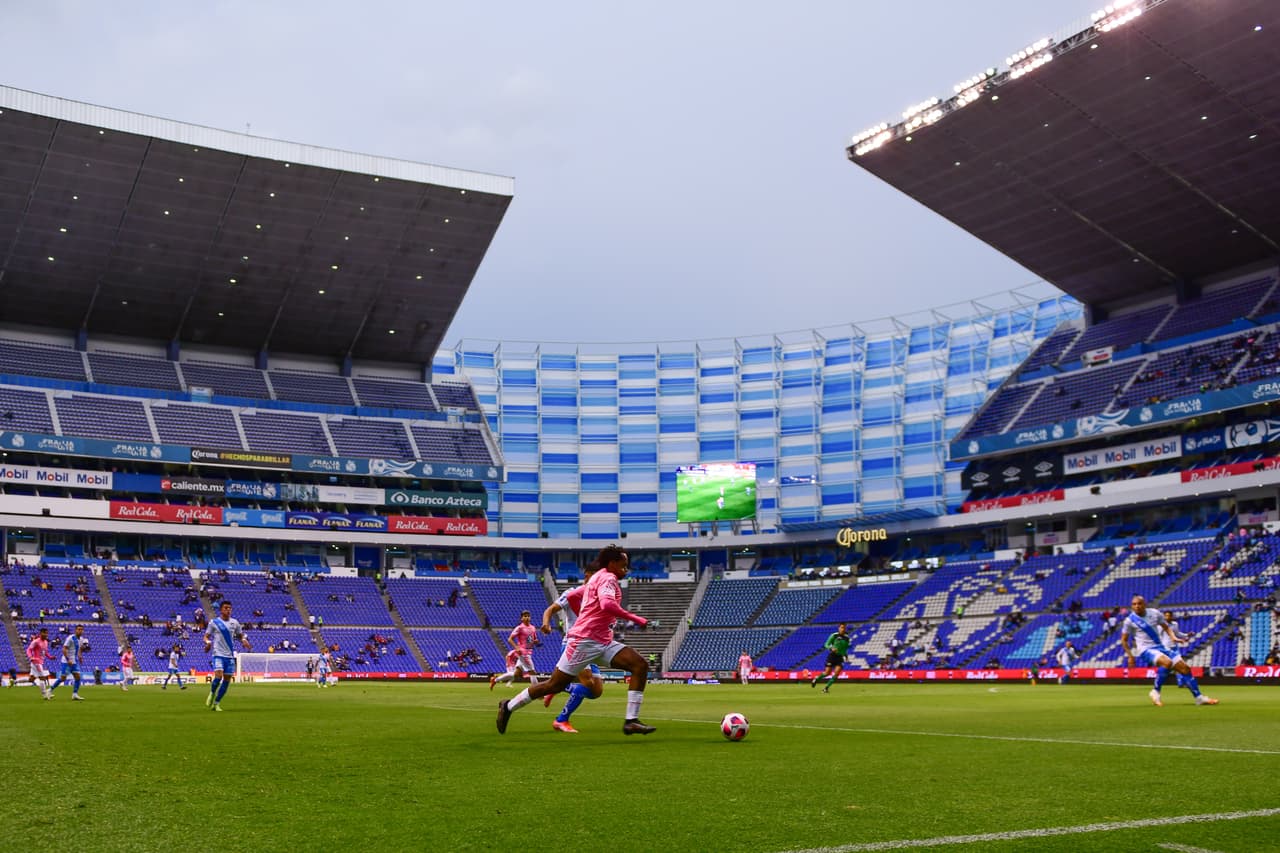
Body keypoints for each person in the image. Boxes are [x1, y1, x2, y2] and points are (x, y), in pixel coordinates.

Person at [497, 545, 655, 736]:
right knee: (553, 685)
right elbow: (606, 604)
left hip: (602, 641)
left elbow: (573, 596)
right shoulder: (608, 578)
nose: (626, 569)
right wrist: (636, 619)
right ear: (612, 564)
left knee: (639, 665)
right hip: (584, 642)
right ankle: (508, 706)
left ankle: (631, 721)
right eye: (623, 565)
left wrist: (586, 614)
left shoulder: (597, 577)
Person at [538, 562, 605, 733]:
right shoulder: (572, 593)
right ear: (588, 575)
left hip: (591, 645)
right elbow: (550, 609)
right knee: (588, 681)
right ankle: (561, 720)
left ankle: (557, 687)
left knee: (596, 691)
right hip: (573, 643)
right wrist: (546, 624)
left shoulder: (599, 596)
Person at [1121, 595, 1217, 707]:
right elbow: (1124, 640)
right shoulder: (1129, 621)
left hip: (1160, 647)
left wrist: (1173, 637)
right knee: (1167, 662)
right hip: (1145, 650)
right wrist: (1130, 656)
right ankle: (1155, 692)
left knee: (1185, 668)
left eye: (1139, 603)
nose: (1137, 606)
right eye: (1134, 604)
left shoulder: (1155, 613)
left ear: (1145, 604)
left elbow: (1166, 627)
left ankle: (1199, 698)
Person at [204, 600, 251, 711]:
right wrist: (208, 643)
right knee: (218, 676)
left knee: (227, 681)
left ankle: (216, 703)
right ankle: (212, 693)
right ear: (221, 609)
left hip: (229, 656)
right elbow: (206, 636)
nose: (228, 610)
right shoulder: (214, 622)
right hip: (218, 654)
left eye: (229, 608)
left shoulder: (235, 623)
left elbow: (240, 635)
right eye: (225, 608)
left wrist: (243, 640)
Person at [49, 624, 87, 700]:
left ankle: (75, 694)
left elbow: (79, 649)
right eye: (78, 629)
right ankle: (49, 690)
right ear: (75, 630)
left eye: (81, 629)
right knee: (63, 678)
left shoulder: (81, 639)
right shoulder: (70, 638)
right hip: (66, 662)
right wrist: (68, 659)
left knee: (78, 677)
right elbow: (64, 649)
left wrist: (80, 657)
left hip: (74, 661)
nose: (80, 631)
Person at [810, 624, 851, 693]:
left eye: (844, 628)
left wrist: (846, 657)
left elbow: (845, 649)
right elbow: (826, 644)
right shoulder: (834, 635)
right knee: (827, 673)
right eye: (841, 627)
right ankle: (816, 679)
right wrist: (831, 648)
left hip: (840, 657)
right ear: (838, 628)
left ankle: (826, 688)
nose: (843, 629)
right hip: (832, 656)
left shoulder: (847, 638)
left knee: (836, 673)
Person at [506, 611, 540, 683]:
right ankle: (537, 691)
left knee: (516, 674)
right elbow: (510, 639)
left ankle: (495, 679)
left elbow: (532, 639)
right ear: (521, 618)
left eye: (528, 616)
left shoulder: (533, 628)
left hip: (529, 651)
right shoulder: (519, 628)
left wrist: (536, 641)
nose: (527, 618)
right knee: (532, 672)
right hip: (523, 653)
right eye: (525, 616)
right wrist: (516, 647)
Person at [25, 626, 53, 699]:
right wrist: (31, 657)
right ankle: (45, 695)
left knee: (31, 679)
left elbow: (45, 652)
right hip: (36, 662)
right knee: (42, 678)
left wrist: (50, 657)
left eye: (47, 633)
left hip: (40, 662)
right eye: (45, 633)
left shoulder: (46, 642)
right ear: (41, 633)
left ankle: (14, 681)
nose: (46, 635)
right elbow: (28, 650)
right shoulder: (36, 641)